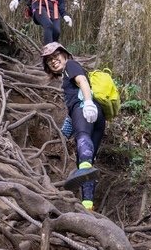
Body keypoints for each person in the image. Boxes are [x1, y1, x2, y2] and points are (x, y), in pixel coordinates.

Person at [41, 42, 104, 211]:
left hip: (85, 109)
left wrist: (88, 102)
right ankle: (88, 205)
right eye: (49, 61)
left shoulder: (71, 65)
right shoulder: (67, 73)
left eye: (56, 57)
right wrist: (68, 126)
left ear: (64, 55)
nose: (53, 62)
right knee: (87, 161)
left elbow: (82, 80)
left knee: (83, 140)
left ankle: (87, 199)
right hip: (96, 117)